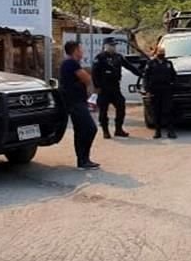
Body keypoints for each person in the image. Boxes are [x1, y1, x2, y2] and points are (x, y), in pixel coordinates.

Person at [59, 41, 99, 170]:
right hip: (74, 102)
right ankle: (83, 159)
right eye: (80, 49)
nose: (82, 52)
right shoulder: (70, 63)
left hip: (77, 101)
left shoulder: (72, 63)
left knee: (81, 130)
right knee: (90, 128)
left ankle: (83, 160)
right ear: (75, 50)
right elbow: (87, 79)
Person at [92, 38, 142, 139]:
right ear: (105, 46)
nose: (114, 47)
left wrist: (141, 74)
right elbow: (94, 73)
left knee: (121, 106)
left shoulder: (119, 57)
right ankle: (105, 131)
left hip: (115, 87)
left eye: (114, 45)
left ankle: (118, 129)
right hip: (104, 88)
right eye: (111, 45)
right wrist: (97, 86)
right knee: (103, 111)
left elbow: (129, 67)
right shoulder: (100, 57)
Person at [144, 47, 178, 139]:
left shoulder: (168, 63)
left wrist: (173, 85)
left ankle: (170, 131)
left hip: (166, 90)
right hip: (155, 90)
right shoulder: (151, 63)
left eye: (163, 52)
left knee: (168, 110)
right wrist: (147, 90)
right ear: (156, 53)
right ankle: (157, 131)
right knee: (156, 111)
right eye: (160, 52)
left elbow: (174, 76)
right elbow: (146, 78)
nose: (162, 54)